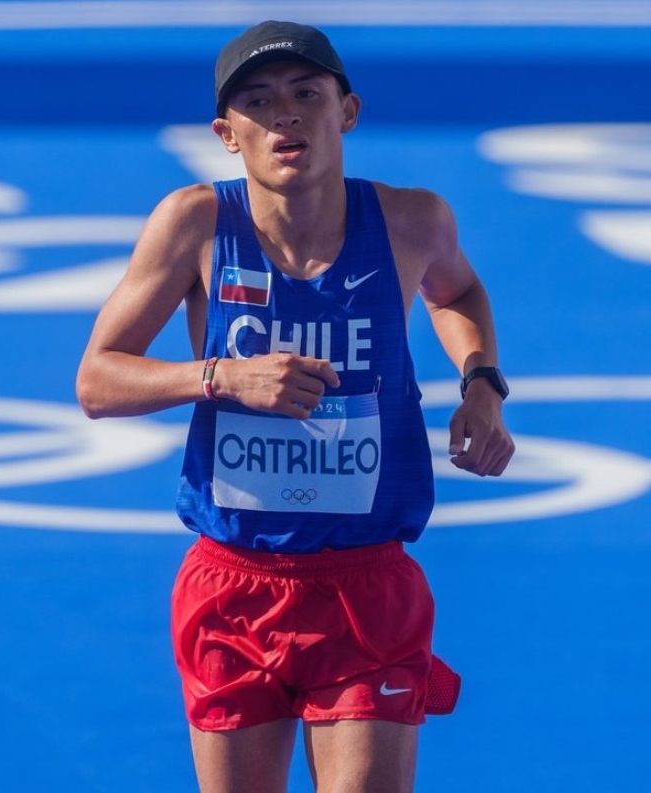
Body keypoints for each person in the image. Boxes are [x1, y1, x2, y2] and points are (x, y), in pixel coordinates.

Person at [76, 20, 514, 793]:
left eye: (306, 94)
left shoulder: (412, 221)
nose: (284, 115)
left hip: (366, 584)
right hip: (234, 586)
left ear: (347, 111)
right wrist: (223, 377)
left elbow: (459, 291)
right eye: (258, 102)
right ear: (226, 134)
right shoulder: (195, 224)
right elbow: (97, 382)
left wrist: (482, 381)